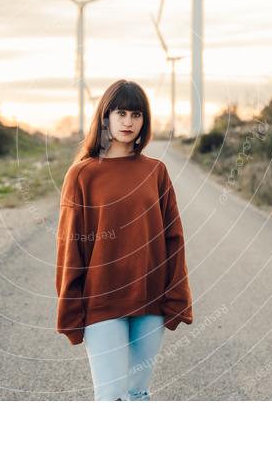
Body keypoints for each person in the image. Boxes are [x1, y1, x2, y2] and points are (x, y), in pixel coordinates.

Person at [55, 79, 193, 401]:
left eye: (136, 115)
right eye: (121, 113)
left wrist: (177, 294)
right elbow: (69, 246)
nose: (129, 122)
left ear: (144, 121)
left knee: (137, 392)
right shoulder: (82, 174)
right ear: (106, 117)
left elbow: (174, 238)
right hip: (102, 301)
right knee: (111, 396)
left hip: (151, 300)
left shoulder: (155, 171)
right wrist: (70, 306)